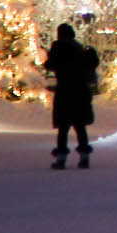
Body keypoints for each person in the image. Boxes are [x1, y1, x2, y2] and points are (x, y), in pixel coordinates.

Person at [45, 22, 99, 168]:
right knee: (80, 126)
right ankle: (84, 157)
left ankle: (61, 159)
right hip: (81, 92)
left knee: (63, 127)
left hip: (65, 91)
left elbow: (49, 65)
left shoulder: (58, 48)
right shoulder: (79, 49)